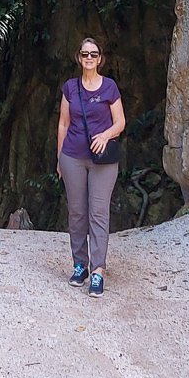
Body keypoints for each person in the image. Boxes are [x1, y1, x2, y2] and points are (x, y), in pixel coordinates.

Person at [57, 38, 126, 296]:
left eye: (93, 54)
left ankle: (97, 271)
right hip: (72, 156)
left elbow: (120, 122)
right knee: (76, 213)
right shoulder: (70, 88)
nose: (88, 58)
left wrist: (105, 135)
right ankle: (79, 265)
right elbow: (63, 124)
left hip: (103, 161)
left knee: (98, 213)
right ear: (79, 57)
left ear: (99, 59)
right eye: (84, 53)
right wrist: (59, 157)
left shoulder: (109, 87)